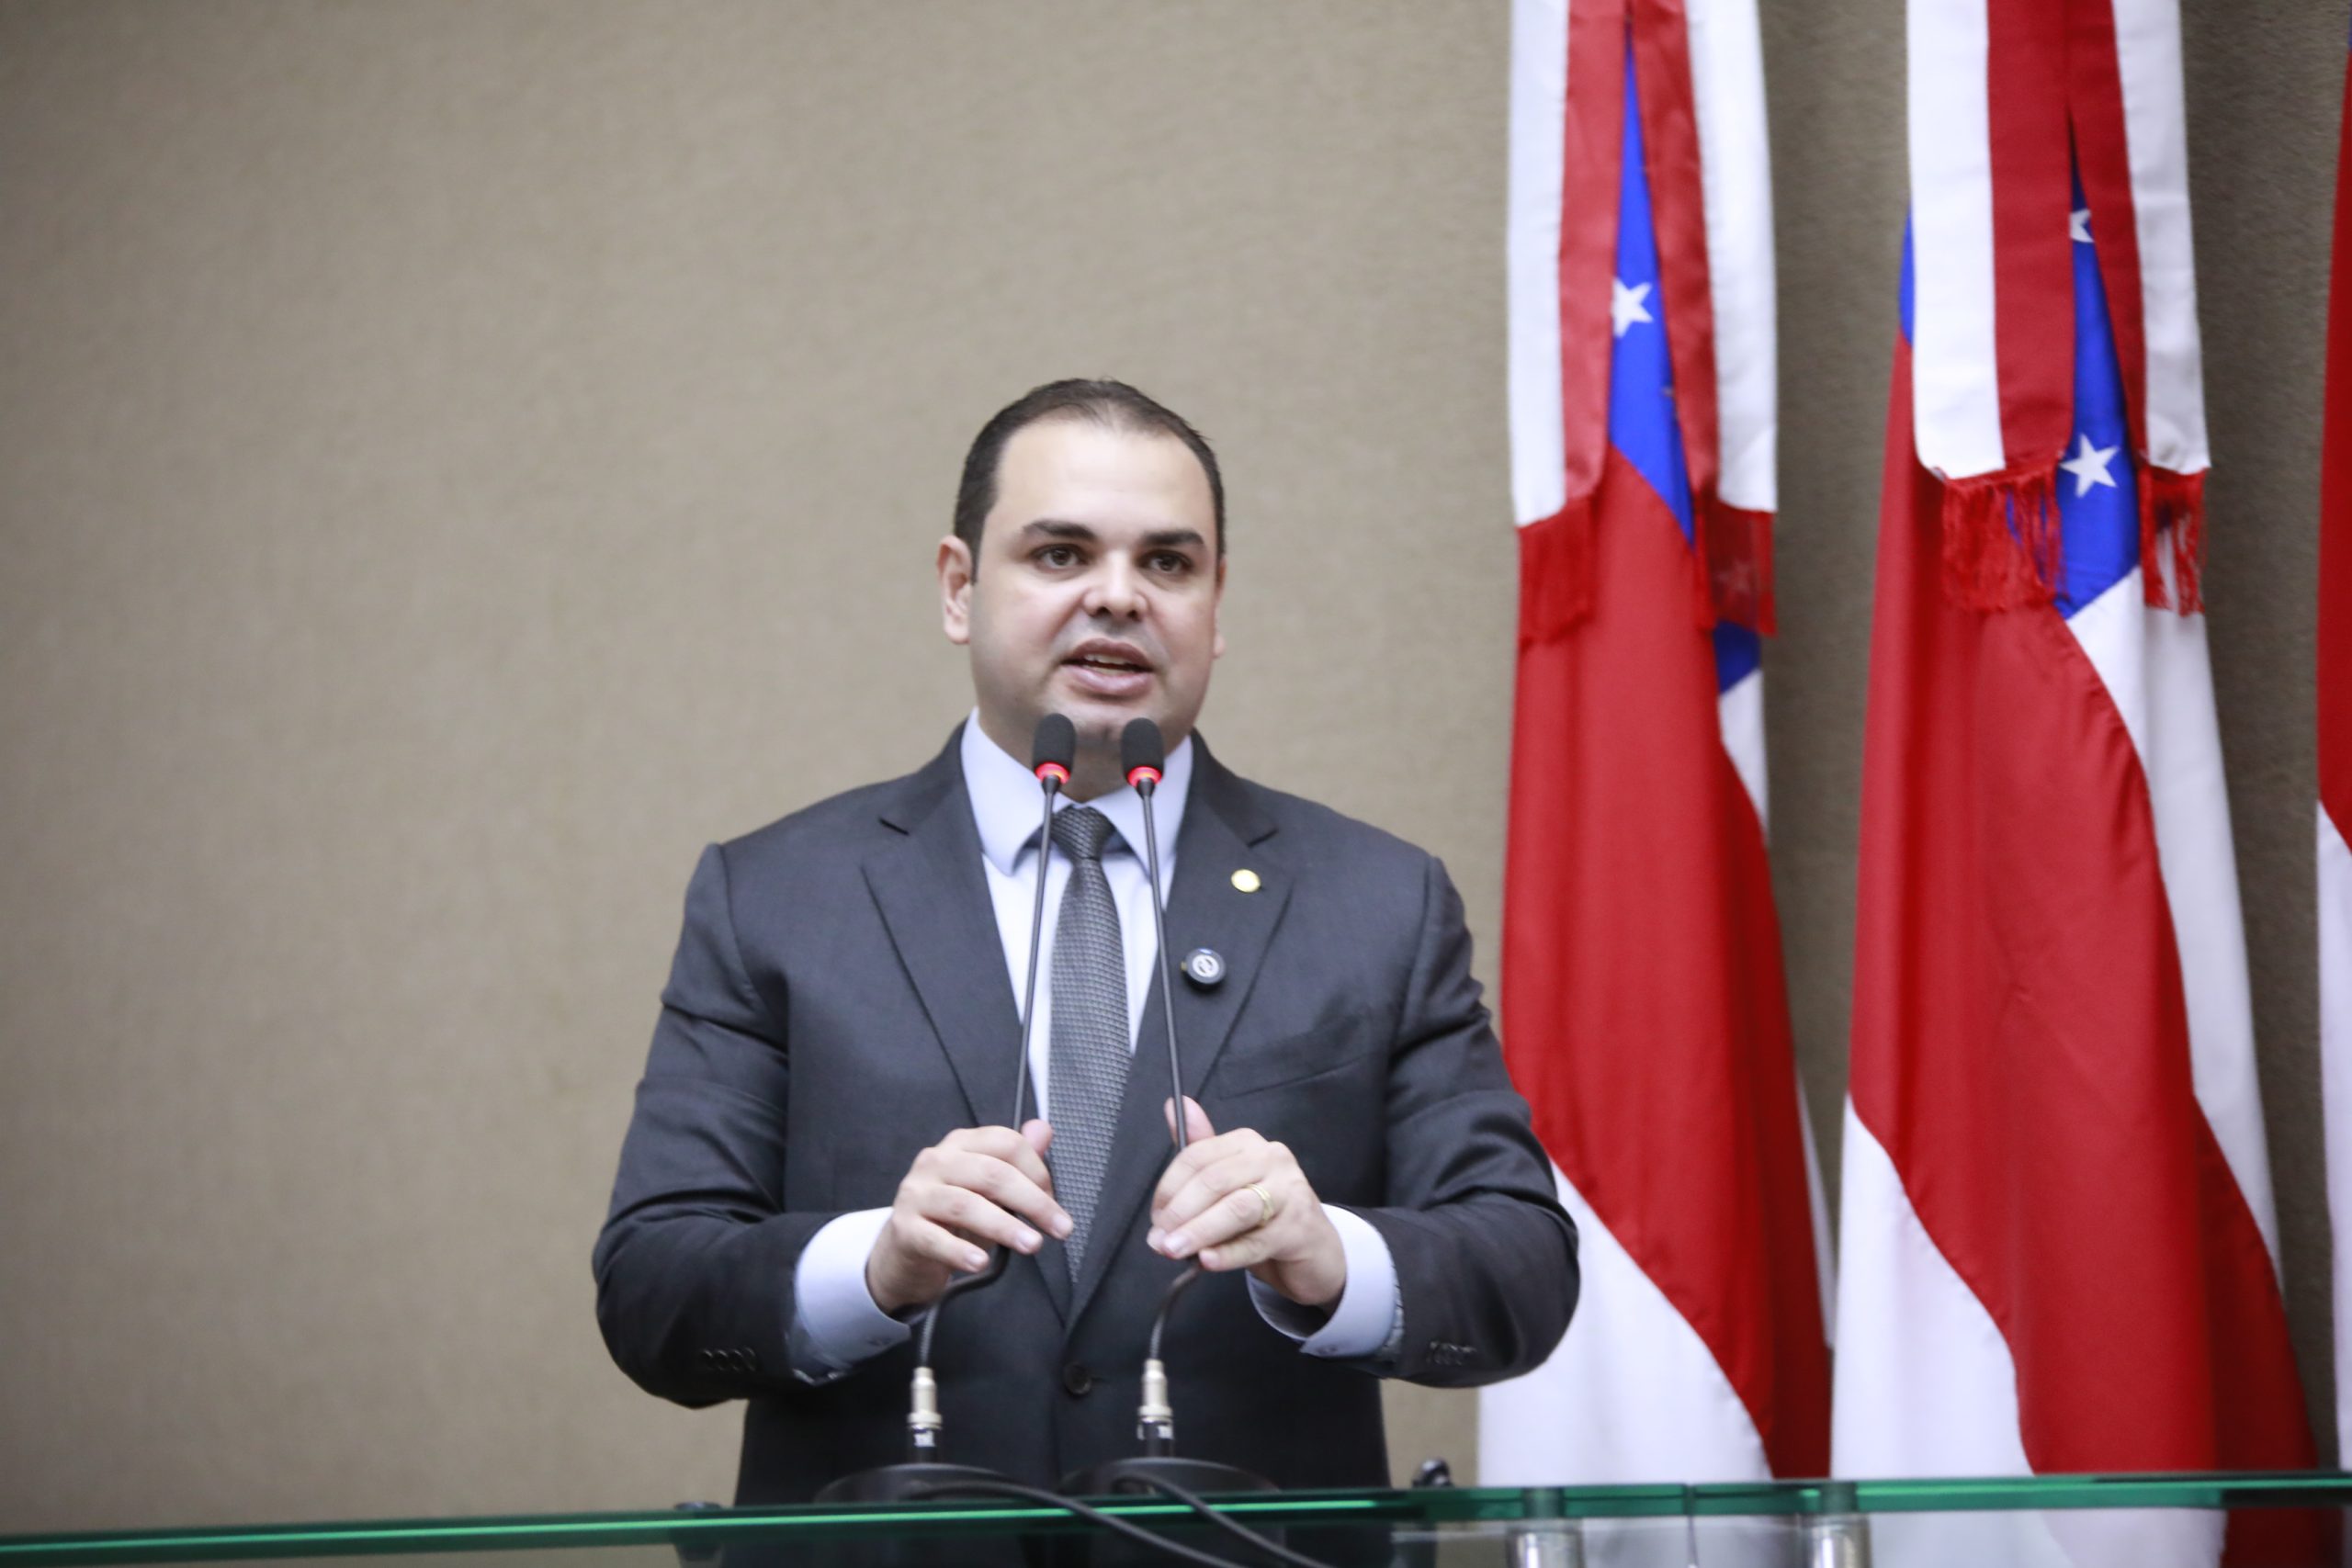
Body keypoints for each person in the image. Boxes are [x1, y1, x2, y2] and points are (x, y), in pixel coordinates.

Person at [593, 379, 1577, 1502]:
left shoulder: (1376, 901)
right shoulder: (774, 896)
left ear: (1215, 604)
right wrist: (875, 1265)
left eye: (1167, 563)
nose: (1117, 596)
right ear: (959, 588)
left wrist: (1328, 1254)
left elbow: (1522, 1271)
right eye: (1059, 554)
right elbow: (653, 1290)